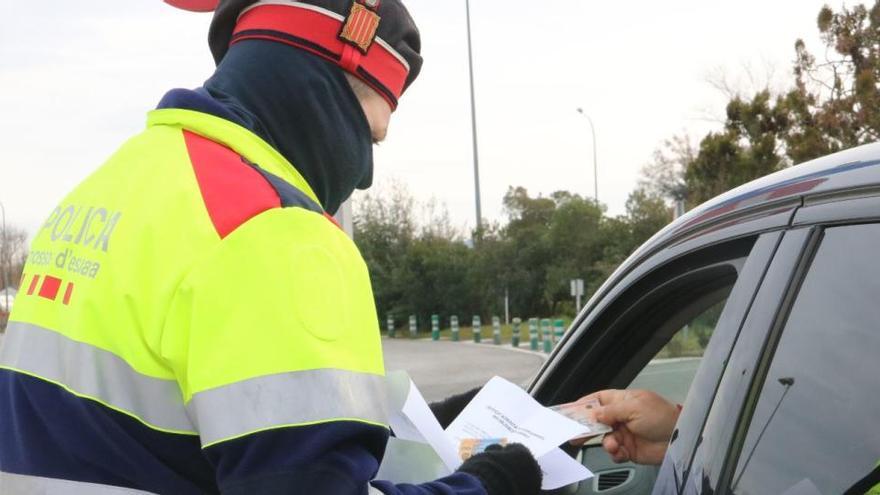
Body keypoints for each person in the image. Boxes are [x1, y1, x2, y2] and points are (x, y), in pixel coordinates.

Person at [0, 1, 542, 494]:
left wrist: (422, 423)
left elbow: (163, 429)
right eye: (370, 134)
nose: (368, 174)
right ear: (318, 91)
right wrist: (490, 487)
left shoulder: (106, 189)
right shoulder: (274, 230)